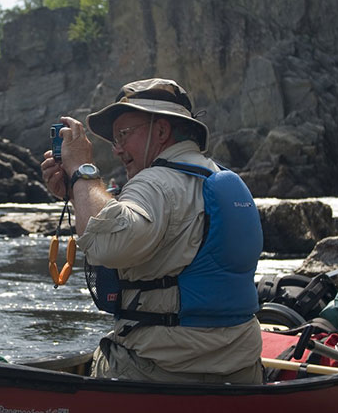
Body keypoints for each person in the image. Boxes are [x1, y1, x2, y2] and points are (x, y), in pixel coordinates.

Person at [40, 78, 265, 384]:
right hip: (240, 369)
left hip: (163, 371)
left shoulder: (155, 183)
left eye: (123, 134)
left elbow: (108, 242)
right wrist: (77, 191)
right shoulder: (220, 177)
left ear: (161, 131)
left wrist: (82, 170)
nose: (117, 149)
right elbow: (158, 221)